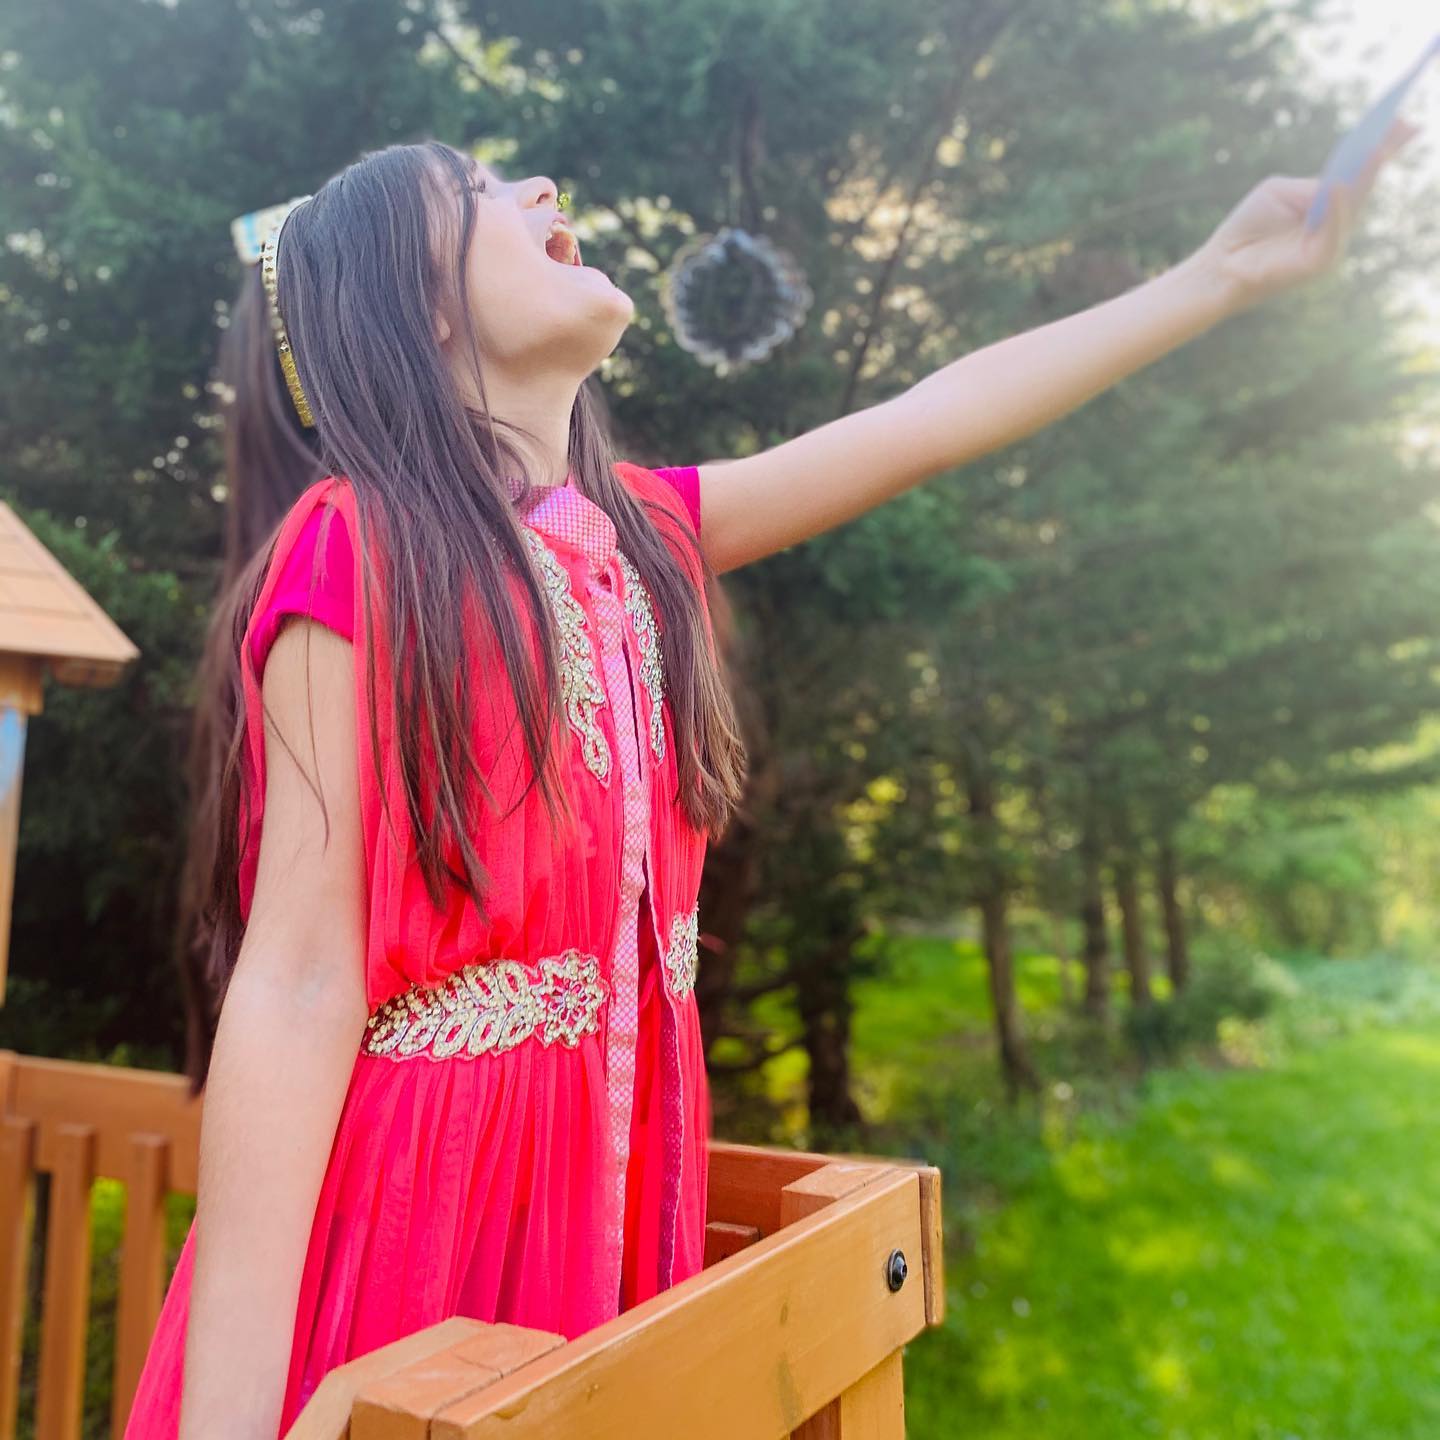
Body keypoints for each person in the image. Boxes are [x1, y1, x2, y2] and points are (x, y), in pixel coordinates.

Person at [126, 127, 1408, 1439]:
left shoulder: (646, 534)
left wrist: (1220, 274)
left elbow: (928, 420)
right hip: (430, 1241)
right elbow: (295, 983)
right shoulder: (358, 547)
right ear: (423, 311)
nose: (542, 190)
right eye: (480, 194)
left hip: (618, 1222)